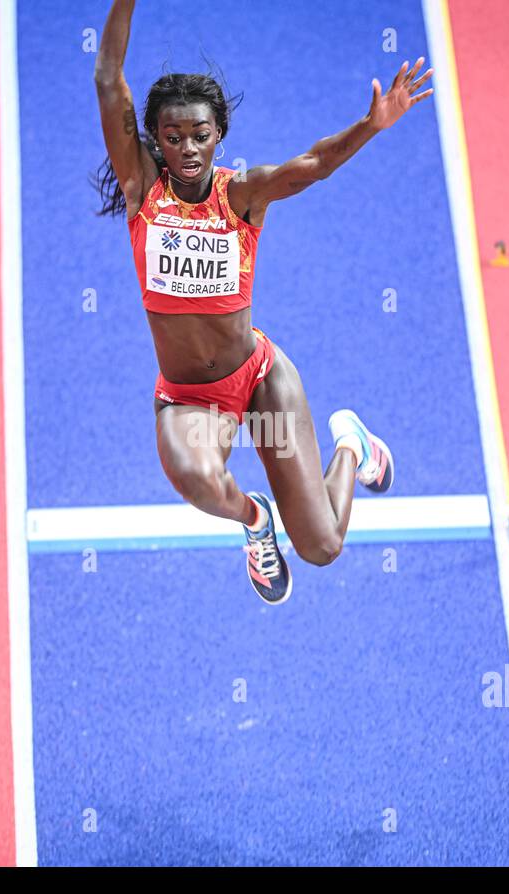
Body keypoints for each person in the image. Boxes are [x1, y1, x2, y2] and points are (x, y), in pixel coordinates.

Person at [93, 0, 433, 605]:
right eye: (173, 138)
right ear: (157, 142)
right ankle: (256, 522)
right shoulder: (141, 189)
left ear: (218, 135)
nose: (188, 149)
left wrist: (371, 125)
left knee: (324, 547)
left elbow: (315, 164)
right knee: (196, 477)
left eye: (200, 135)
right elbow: (107, 77)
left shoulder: (243, 196)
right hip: (193, 401)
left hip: (257, 380)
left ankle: (350, 442)